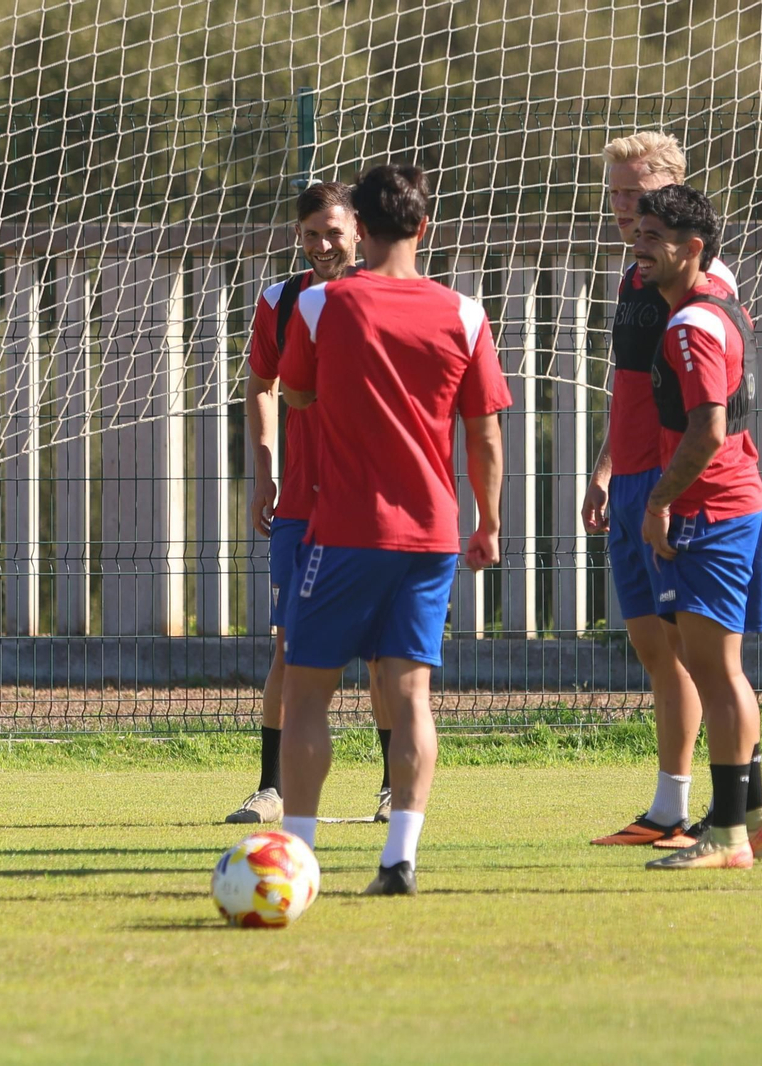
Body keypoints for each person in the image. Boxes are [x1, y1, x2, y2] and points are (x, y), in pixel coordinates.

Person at [277, 164, 510, 896]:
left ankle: (297, 857)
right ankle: (398, 859)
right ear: (423, 227)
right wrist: (489, 521)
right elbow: (487, 434)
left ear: (362, 230)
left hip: (344, 529)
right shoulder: (466, 313)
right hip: (432, 533)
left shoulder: (321, 306)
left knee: (309, 693)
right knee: (410, 695)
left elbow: (299, 392)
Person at [581, 132, 739, 849]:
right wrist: (608, 466)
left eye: (637, 193)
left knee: (699, 653)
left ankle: (733, 807)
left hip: (674, 488)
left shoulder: (707, 283)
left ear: (674, 184)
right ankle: (668, 808)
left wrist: (667, 491)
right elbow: (634, 390)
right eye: (614, 193)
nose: (623, 207)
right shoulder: (631, 274)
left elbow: (706, 406)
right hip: (633, 479)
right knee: (654, 649)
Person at [231, 180, 398, 826]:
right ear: (298, 238)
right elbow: (262, 387)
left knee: (383, 652)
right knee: (286, 645)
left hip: (372, 504)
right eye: (311, 235)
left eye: (334, 231)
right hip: (302, 502)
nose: (324, 245)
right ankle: (270, 787)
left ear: (358, 229)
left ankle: (391, 787)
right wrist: (265, 469)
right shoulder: (279, 302)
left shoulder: (390, 298)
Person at [629, 184, 762, 872]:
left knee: (715, 675)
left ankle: (724, 836)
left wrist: (659, 500)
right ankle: (752, 817)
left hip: (709, 512)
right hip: (737, 504)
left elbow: (708, 429)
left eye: (654, 235)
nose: (639, 244)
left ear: (693, 250)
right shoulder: (722, 308)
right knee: (722, 672)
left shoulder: (690, 326)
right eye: (638, 229)